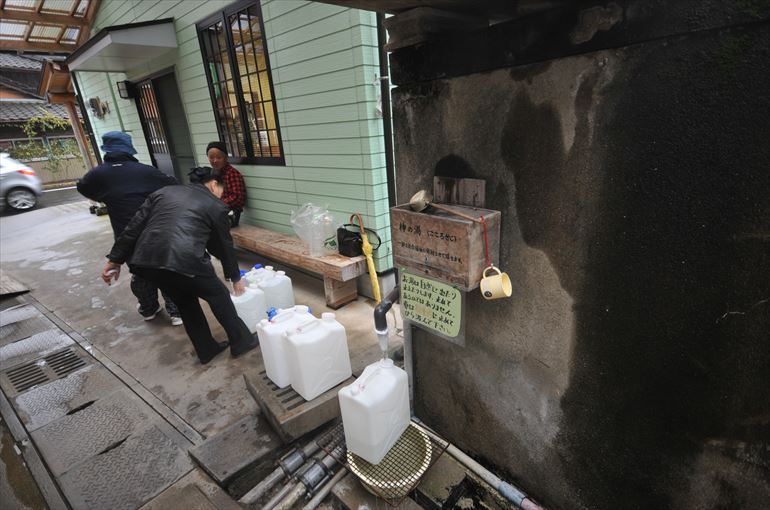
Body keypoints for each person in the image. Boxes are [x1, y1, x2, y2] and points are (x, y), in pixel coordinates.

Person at [101, 167, 258, 364]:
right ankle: (242, 342)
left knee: (185, 302)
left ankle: (207, 349)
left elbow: (133, 228)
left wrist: (114, 261)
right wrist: (235, 278)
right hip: (185, 260)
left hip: (149, 263)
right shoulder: (215, 205)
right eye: (221, 190)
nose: (221, 195)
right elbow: (223, 246)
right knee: (219, 296)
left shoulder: (163, 193)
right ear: (213, 184)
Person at [77, 131, 183, 326]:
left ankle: (149, 308)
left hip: (126, 235)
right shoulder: (145, 171)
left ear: (107, 150)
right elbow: (173, 184)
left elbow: (82, 187)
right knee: (165, 269)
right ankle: (176, 312)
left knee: (140, 271)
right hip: (155, 231)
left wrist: (105, 196)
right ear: (128, 149)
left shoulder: (98, 174)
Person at [206, 141, 246, 227]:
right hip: (217, 212)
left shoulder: (232, 173)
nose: (215, 160)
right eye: (211, 157)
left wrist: (217, 203)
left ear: (226, 158)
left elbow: (238, 198)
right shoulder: (212, 173)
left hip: (231, 214)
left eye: (219, 157)